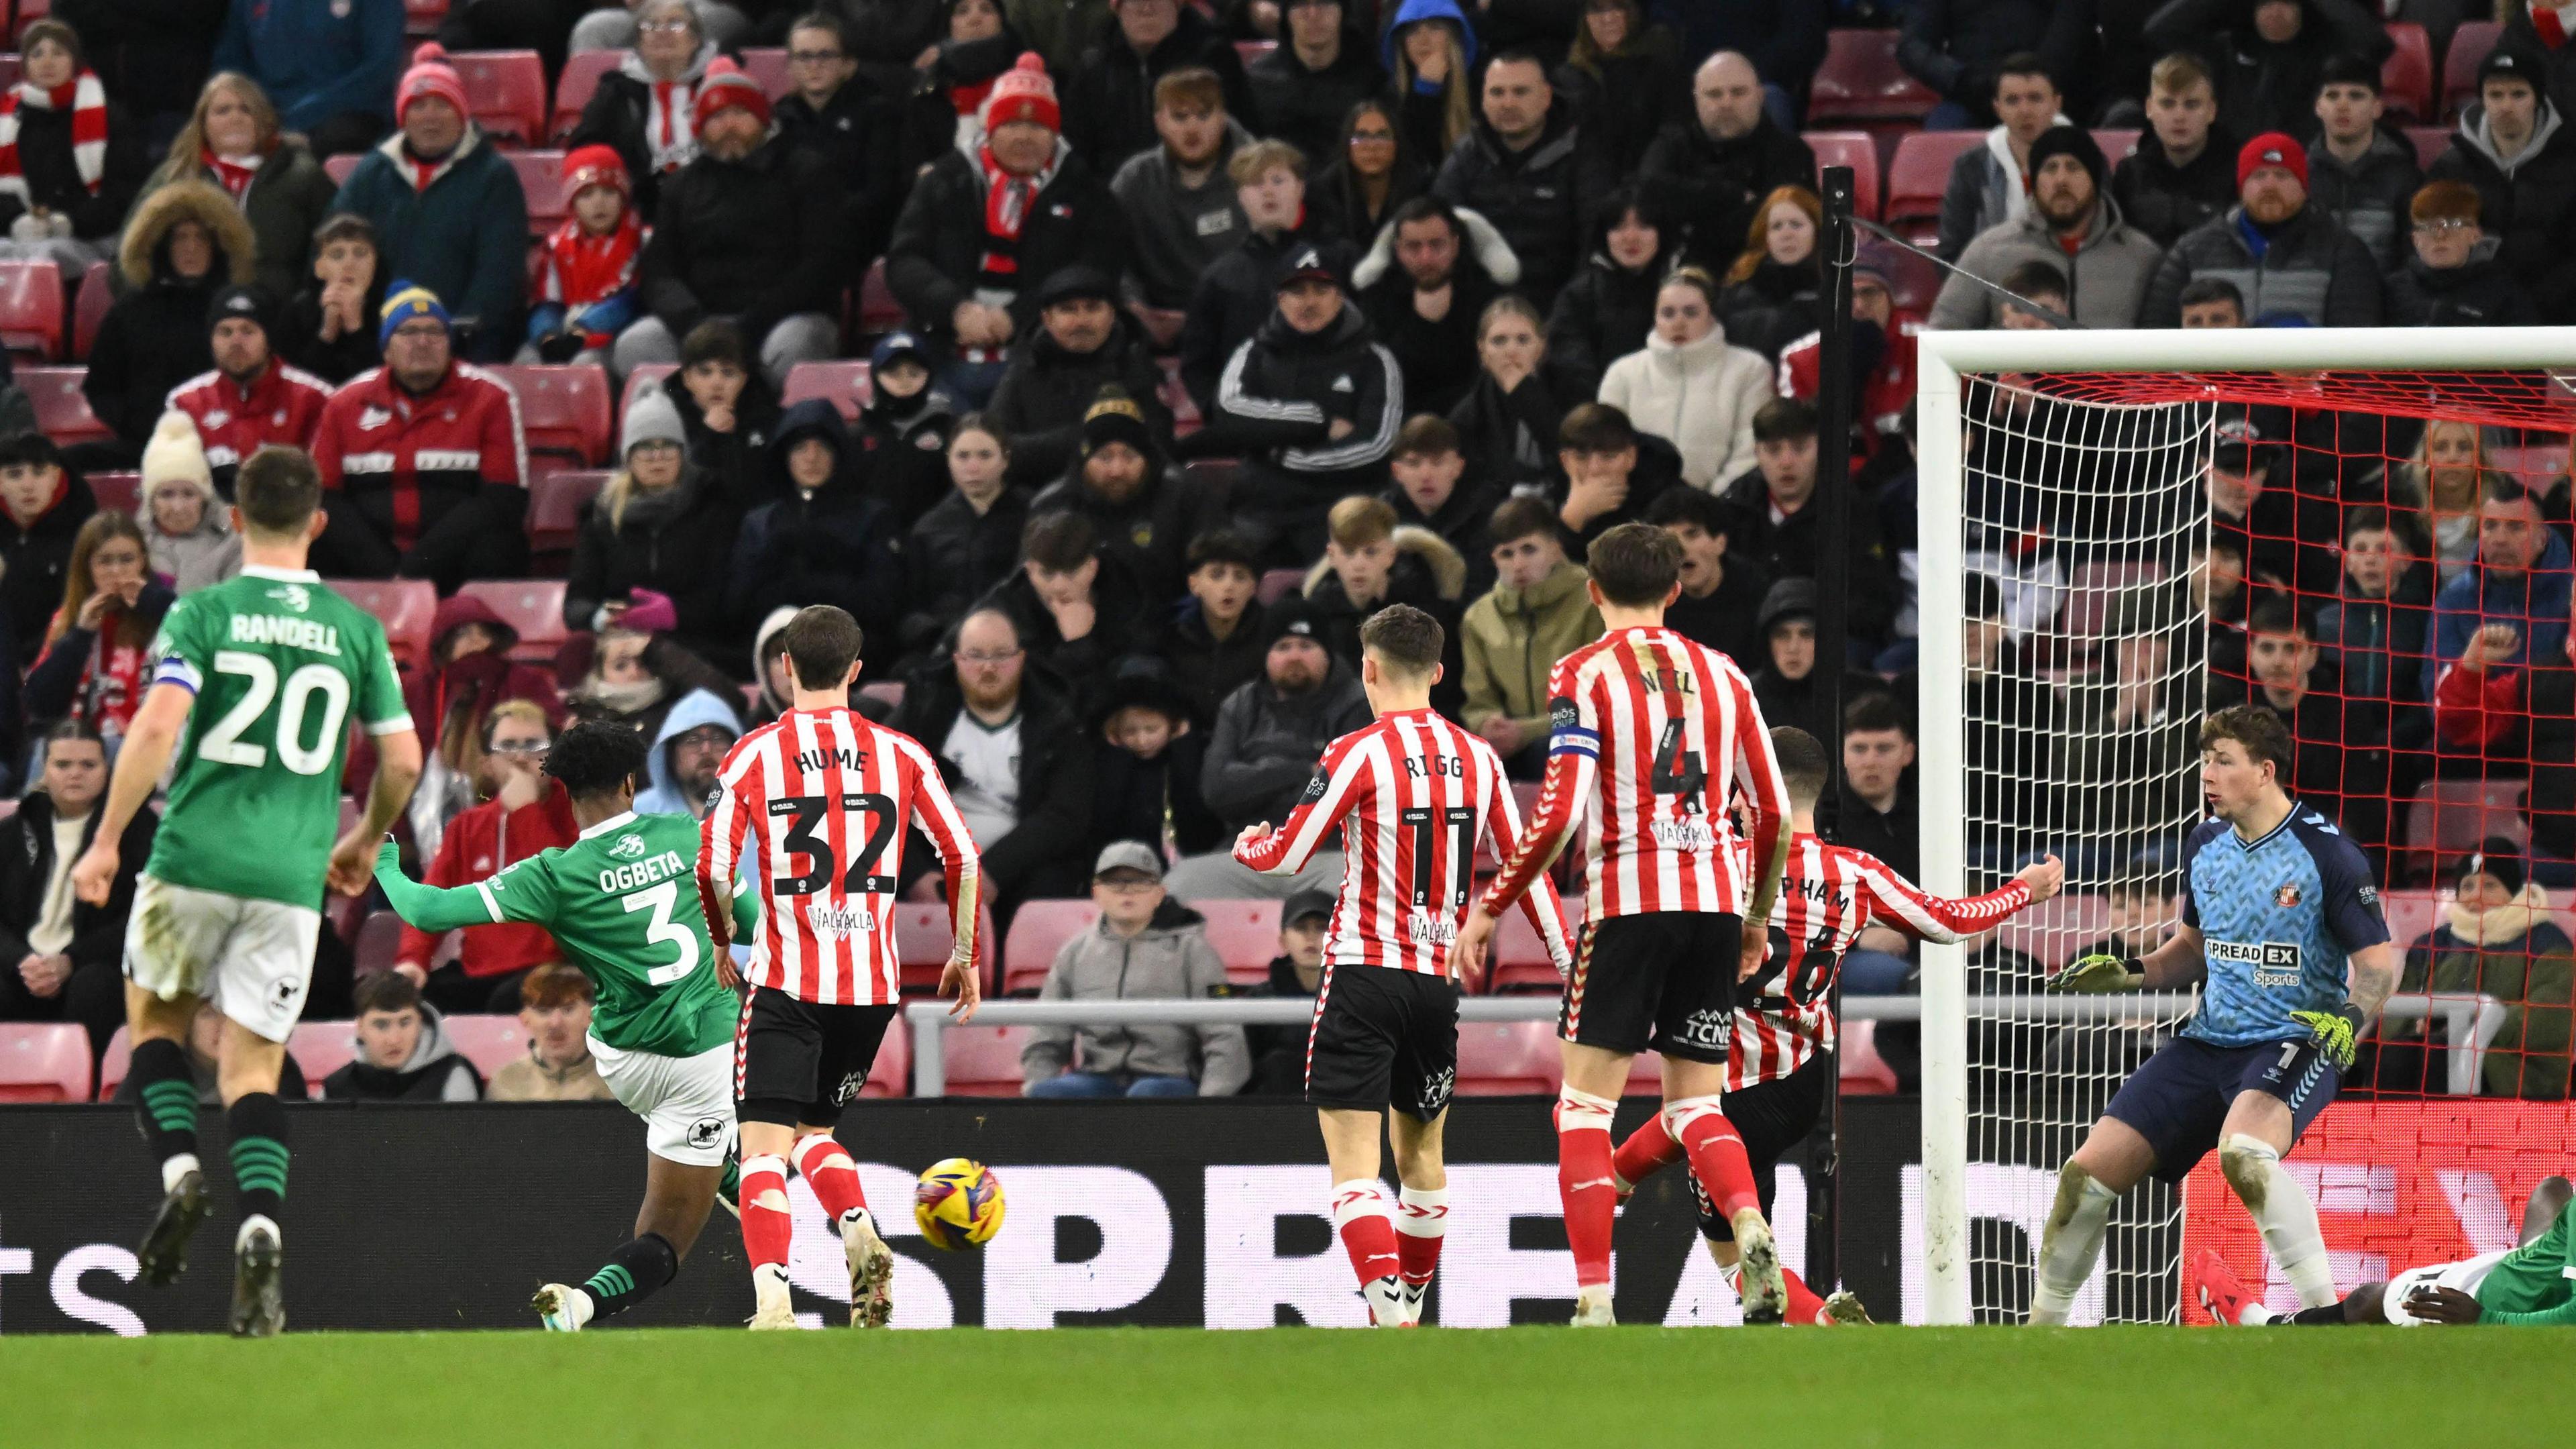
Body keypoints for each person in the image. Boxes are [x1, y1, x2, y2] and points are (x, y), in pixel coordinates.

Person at [72, 443, 421, 1338]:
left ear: (235, 518)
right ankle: (259, 1225)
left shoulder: (203, 611)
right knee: (254, 1068)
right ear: (316, 521)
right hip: (290, 878)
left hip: (191, 857)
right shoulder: (355, 630)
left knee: (152, 1025)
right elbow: (404, 758)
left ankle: (180, 1171)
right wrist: (366, 838)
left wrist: (107, 840)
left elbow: (156, 725)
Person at [1452, 523, 1796, 1326]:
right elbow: (1774, 812)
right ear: (1676, 590)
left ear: (1593, 591)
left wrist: (1492, 903)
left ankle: (1595, 1298)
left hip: (1630, 904)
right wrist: (1753, 915)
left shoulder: (1583, 671)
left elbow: (1562, 809)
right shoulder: (1726, 674)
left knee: (1583, 1109)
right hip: (1714, 903)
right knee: (1695, 1109)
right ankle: (1747, 1219)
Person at [1606, 724, 2059, 1324]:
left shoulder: (1719, 865)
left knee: (1726, 1240)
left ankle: (1661, 1197)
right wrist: (2021, 891)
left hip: (1726, 1088)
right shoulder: (1856, 872)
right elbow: (1951, 922)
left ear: (1752, 786)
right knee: (1711, 1170)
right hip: (1799, 1086)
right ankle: (1822, 1319)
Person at [1236, 604, 1573, 1326]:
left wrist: (1250, 847)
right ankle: (1410, 1302)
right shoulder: (1482, 758)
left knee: (1355, 1168)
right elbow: (1528, 871)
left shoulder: (1355, 751)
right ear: (1440, 672)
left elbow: (1290, 856)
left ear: (1368, 669)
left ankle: (1388, 1307)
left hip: (1362, 973)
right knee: (1423, 1160)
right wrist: (1566, 958)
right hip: (1434, 985)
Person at [379, 720, 761, 1328]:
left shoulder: (553, 874)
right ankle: (588, 1302)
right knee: (664, 1243)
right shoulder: (690, 835)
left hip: (618, 1059)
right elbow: (755, 920)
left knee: (709, 1144)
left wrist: (386, 865)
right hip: (700, 1061)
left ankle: (722, 1161)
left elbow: (428, 910)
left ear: (565, 792)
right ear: (633, 782)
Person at [2034, 706, 2398, 1326]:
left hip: (2295, 1037)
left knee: (2246, 1154)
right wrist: (2132, 974)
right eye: (2205, 761)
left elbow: (2381, 965)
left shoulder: (2328, 854)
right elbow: (2195, 950)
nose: (2207, 774)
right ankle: (2038, 1335)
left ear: (2264, 771)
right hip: (2209, 1042)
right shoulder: (2205, 845)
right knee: (2083, 1178)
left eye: (2222, 761)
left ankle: (2327, 1319)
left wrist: (2350, 1017)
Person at [696, 605, 981, 1330]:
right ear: (858, 671)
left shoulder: (753, 755)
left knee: (761, 1147)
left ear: (784, 667)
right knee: (814, 1136)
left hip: (789, 985)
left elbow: (714, 866)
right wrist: (963, 954)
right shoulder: (903, 754)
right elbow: (963, 857)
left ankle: (774, 1306)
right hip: (871, 991)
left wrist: (724, 937)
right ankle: (858, 1229)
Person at [886, 52, 1128, 406]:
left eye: (1037, 126)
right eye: (1012, 124)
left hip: (1043, 357)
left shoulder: (1088, 194)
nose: (1024, 137)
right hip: (941, 343)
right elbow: (904, 262)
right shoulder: (946, 180)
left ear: (1055, 132)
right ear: (991, 128)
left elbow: (1096, 273)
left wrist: (1017, 318)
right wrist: (957, 310)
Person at [614, 59, 845, 391]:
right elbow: (660, 272)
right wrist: (695, 325)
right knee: (636, 345)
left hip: (783, 318)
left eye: (741, 114)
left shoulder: (807, 172)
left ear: (763, 120)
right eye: (717, 117)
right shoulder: (681, 186)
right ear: (700, 128)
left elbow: (823, 264)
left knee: (795, 348)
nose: (729, 126)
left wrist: (752, 323)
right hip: (700, 322)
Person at [309, 286, 529, 591]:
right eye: (409, 332)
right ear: (386, 349)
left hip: (454, 561)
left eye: (435, 332)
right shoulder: (344, 404)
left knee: (500, 544)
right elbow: (324, 499)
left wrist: (415, 568)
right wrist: (387, 570)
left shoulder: (492, 397)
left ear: (450, 344)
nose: (423, 341)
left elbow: (503, 500)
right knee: (313, 541)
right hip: (371, 562)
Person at [326, 46, 530, 362]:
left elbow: (498, 275)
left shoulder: (494, 177)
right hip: (375, 342)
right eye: (418, 107)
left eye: (442, 105)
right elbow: (331, 247)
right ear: (402, 116)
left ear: (462, 113)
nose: (430, 118)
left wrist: (452, 337)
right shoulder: (371, 173)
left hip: (464, 345)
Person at [890, 606, 1094, 918]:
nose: (988, 668)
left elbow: (1066, 814)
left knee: (1052, 887)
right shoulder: (923, 712)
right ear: (957, 659)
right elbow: (880, 793)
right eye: (975, 656)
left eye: (1001, 655)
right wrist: (915, 875)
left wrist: (992, 872)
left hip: (1022, 868)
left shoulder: (1057, 720)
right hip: (935, 869)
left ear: (1021, 657)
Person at [1208, 245, 1403, 564]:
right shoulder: (1254, 352)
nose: (1309, 301)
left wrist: (1288, 455)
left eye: (1321, 290)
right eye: (1297, 291)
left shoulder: (1375, 359)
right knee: (1223, 571)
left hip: (1341, 508)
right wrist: (1320, 423)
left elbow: (1377, 444)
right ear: (1280, 299)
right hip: (1263, 506)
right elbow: (1229, 412)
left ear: (1339, 296)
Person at [1165, 599, 1371, 901]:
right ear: (1266, 656)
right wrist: (1301, 770)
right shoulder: (1240, 705)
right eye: (1283, 647)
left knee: (1367, 883)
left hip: (1328, 856)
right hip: (1251, 854)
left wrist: (1254, 780)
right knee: (1179, 885)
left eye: (1306, 645)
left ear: (1328, 653)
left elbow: (1343, 795)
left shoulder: (1358, 703)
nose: (1294, 656)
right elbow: (1217, 791)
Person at [1018, 841, 1247, 1097]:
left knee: (1145, 1097)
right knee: (1051, 1094)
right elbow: (1045, 1038)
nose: (1127, 891)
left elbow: (1225, 1037)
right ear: (1096, 892)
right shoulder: (1074, 953)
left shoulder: (1195, 952)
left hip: (1170, 1079)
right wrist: (1035, 1096)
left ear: (1160, 893)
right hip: (1096, 1078)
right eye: (1115, 882)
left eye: (1140, 882)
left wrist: (1211, 1104)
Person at [391, 700, 577, 1015]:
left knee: (506, 1000)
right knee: (405, 1005)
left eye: (534, 746)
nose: (520, 758)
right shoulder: (467, 827)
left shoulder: (578, 813)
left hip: (556, 969)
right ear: (487, 763)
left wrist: (527, 813)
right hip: (479, 971)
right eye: (507, 746)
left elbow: (564, 890)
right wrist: (413, 960)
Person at [2200, 1173, 2576, 1326]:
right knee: (2552, 1194)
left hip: (2509, 1297)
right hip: (2505, 1288)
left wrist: (2487, 1320)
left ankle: (2257, 1323)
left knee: (2367, 1301)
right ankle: (2262, 1324)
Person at [0, 722, 155, 1058]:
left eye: (88, 765)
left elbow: (142, 918)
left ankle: (90, 1104)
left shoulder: (137, 830)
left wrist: (72, 960)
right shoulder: (12, 831)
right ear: (44, 771)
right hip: (23, 968)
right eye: (63, 765)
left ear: (107, 771)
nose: (76, 774)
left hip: (91, 967)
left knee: (95, 986)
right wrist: (20, 960)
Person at [2382, 842, 2574, 1099]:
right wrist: (2418, 1026)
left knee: (2444, 1052)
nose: (2476, 895)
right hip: (2435, 1051)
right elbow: (2393, 1015)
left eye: (2490, 886)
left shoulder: (2546, 942)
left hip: (2515, 1071)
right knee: (2397, 1053)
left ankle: (2446, 1137)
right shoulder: (2432, 943)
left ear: (2514, 890)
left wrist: (2467, 1026)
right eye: (2468, 886)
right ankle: (2390, 1137)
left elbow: (2548, 1022)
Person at [132, 71, 337, 309]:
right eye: (222, 111)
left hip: (281, 317)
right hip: (190, 317)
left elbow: (333, 249)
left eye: (246, 109)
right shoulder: (172, 178)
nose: (235, 118)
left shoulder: (303, 175)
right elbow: (129, 259)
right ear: (202, 123)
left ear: (265, 119)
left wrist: (304, 310)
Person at [1931, 124, 2164, 331]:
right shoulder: (1989, 251)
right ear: (2033, 183)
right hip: (2013, 381)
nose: (2061, 180)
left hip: (2113, 382)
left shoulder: (2142, 256)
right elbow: (1944, 331)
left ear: (2095, 180)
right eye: (2050, 168)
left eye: (2073, 167)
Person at [85, 179, 252, 466]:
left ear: (219, 246)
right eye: (179, 238)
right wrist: (136, 425)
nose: (191, 248)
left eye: (202, 238)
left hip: (227, 450)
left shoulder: (244, 310)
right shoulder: (129, 312)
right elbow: (101, 386)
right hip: (145, 446)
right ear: (161, 244)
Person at [2140, 132, 2385, 326]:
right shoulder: (2191, 251)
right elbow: (2155, 336)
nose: (2270, 186)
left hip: (2306, 390)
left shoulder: (2342, 251)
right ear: (2241, 187)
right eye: (2258, 176)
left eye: (2282, 175)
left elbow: (2356, 348)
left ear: (2304, 187)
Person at [1178, 139, 1338, 416]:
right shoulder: (1220, 277)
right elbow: (1197, 364)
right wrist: (1223, 415)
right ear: (1240, 195)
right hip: (1248, 427)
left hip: (1326, 421)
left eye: (1278, 180)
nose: (1268, 192)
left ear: (1300, 188)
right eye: (1255, 183)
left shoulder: (1336, 262)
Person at [1715, 397, 1892, 644]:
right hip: (1752, 641)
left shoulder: (1852, 510)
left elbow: (1873, 601)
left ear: (1819, 447)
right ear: (1757, 453)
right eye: (1774, 450)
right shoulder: (1735, 507)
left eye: (1799, 448)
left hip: (1834, 642)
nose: (1787, 462)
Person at [730, 398, 904, 649]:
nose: (812, 458)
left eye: (823, 448)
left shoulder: (873, 518)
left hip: (852, 650)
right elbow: (735, 607)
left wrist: (814, 584)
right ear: (785, 456)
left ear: (839, 455)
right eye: (801, 448)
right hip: (774, 650)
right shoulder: (760, 522)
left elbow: (884, 604)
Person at [1429, 49, 1596, 307]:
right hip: (1477, 312)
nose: (1507, 103)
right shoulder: (1465, 156)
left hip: (1559, 306)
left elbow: (1593, 241)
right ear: (1483, 100)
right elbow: (1436, 229)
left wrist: (1568, 311)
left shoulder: (1580, 154)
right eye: (1497, 93)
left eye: (1520, 92)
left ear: (1546, 97)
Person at [1637, 52, 1813, 287]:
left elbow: (1765, 226)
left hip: (1763, 283)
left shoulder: (1791, 153)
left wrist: (1690, 219)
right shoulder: (1672, 144)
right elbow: (1648, 191)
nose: (1726, 103)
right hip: (1677, 281)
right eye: (1714, 94)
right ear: (1696, 99)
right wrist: (1733, 195)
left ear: (1760, 96)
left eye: (1738, 93)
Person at [988, 266, 1173, 488]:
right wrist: (1085, 439)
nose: (1082, 321)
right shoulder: (1024, 370)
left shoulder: (1138, 367)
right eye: (1068, 310)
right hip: (1038, 501)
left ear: (1112, 314)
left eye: (1093, 308)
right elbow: (995, 450)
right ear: (1047, 319)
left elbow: (1157, 448)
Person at [2427, 46, 2576, 319]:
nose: (2506, 106)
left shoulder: (2570, 166)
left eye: (2518, 94)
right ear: (2482, 99)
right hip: (2472, 317)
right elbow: (2430, 246)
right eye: (2496, 94)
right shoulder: (2450, 168)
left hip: (2557, 320)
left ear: (2538, 99)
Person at [1460, 496, 1603, 779]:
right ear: (1494, 559)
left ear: (1555, 549)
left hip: (1581, 742)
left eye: (1529, 550)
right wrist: (1487, 723)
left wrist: (1526, 731)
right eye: (1507, 554)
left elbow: (1598, 700)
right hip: (1509, 746)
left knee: (1547, 750)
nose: (1519, 564)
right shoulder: (1479, 617)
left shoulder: (1592, 602)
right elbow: (1478, 700)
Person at [1029, 389, 1213, 603]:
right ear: (1084, 460)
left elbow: (1214, 572)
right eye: (1104, 457)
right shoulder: (1053, 505)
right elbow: (1027, 591)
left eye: (1130, 455)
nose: (1117, 470)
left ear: (1147, 458)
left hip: (1168, 627)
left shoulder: (1184, 495)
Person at [1597, 268, 1769, 492]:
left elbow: (1749, 449)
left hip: (1719, 509)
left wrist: (1712, 502)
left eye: (1691, 313)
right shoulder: (1622, 372)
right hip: (1639, 509)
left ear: (1711, 314)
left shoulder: (1750, 369)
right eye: (1668, 313)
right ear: (1655, 317)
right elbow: (1606, 447)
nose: (1678, 323)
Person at [0, 21, 147, 275]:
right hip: (19, 235)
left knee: (46, 258)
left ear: (75, 62)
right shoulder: (7, 119)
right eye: (37, 54)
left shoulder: (107, 116)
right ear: (25, 66)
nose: (47, 62)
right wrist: (15, 220)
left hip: (90, 236)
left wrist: (71, 222)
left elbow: (125, 193)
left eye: (58, 53)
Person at [1112, 67, 1249, 336]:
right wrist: (1135, 307)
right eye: (1180, 117)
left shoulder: (1256, 174)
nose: (1192, 127)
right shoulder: (1134, 179)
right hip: (1156, 325)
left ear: (1222, 117)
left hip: (1241, 322)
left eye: (1204, 115)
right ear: (1159, 121)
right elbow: (1109, 252)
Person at [167, 286, 333, 499]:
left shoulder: (314, 398)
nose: (236, 341)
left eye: (248, 331)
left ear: (268, 339)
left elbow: (323, 487)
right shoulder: (184, 403)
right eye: (225, 332)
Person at [2143, 0, 2395, 142]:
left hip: (2309, 160)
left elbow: (2376, 44)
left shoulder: (2326, 51)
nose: (2275, 11)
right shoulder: (2227, 50)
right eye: (2264, 2)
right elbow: (2159, 32)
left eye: (2286, 2)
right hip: (2231, 163)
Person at [974, 508, 1157, 700]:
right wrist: (1077, 647)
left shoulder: (1125, 587)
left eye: (1071, 572)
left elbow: (1143, 658)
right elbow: (1037, 695)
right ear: (1029, 571)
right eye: (1047, 574)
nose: (1059, 586)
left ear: (1092, 567)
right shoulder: (1003, 613)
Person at [25, 511, 175, 745]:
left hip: (144, 740)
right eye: (105, 561)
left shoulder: (168, 611)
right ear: (87, 567)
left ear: (143, 561)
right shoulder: (68, 618)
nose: (116, 571)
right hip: (77, 740)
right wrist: (80, 635)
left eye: (127, 560)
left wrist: (154, 603)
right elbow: (40, 704)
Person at [565, 0, 720, 217]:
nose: (662, 33)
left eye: (675, 24)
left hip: (712, 205)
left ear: (695, 39)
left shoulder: (719, 84)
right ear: (639, 43)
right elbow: (585, 148)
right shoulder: (616, 91)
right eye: (651, 26)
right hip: (637, 210)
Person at [773, 9, 899, 272]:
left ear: (848, 64)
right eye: (804, 56)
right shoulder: (778, 117)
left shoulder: (877, 112)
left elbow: (879, 192)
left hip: (855, 235)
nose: (814, 65)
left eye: (825, 55)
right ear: (790, 66)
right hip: (789, 234)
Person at [2426, 477, 2572, 697]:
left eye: (2516, 527)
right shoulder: (2453, 600)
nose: (2500, 539)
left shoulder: (2572, 597)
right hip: (2476, 729)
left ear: (2542, 539)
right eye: (2490, 526)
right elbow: (2437, 695)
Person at [1060, 0, 1250, 170]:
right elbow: (1075, 153)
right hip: (1109, 197)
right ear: (1118, 7)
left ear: (1177, 4)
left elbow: (1241, 142)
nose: (1147, 8)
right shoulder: (1092, 69)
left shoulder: (1215, 60)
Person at [1300, 492, 1465, 685]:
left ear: (1390, 554)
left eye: (1370, 552)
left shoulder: (1427, 614)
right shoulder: (1316, 617)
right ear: (1332, 555)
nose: (1359, 565)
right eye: (1348, 552)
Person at [1358, 196, 1502, 417]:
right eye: (1413, 247)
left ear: (1455, 245)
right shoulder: (1377, 304)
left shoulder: (1491, 301)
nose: (1426, 258)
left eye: (1436, 245)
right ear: (1398, 250)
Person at [902, 415, 1028, 655]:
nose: (973, 467)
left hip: (1017, 643)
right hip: (946, 649)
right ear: (949, 460)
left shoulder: (1032, 516)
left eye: (985, 455)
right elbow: (911, 609)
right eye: (963, 456)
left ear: (1006, 459)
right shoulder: (928, 527)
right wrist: (935, 638)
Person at [209, 0, 402, 157]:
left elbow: (379, 70)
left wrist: (300, 120)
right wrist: (255, 112)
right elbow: (230, 65)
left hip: (347, 112)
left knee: (331, 140)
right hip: (267, 113)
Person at [1547, 187, 1679, 405]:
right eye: (1618, 227)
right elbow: (1571, 365)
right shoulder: (1579, 296)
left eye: (1644, 226)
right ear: (1604, 235)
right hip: (1602, 415)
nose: (1631, 237)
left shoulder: (1686, 292)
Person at [1933, 56, 2070, 264]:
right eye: (2012, 100)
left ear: (2057, 103)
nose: (2025, 111)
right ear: (1997, 108)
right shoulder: (1970, 166)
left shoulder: (2087, 161)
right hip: (1991, 286)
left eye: (2035, 98)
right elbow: (1951, 253)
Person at [1086, 659, 1218, 862]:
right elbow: (1102, 822)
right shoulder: (1104, 762)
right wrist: (1117, 756)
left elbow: (1199, 818)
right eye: (1130, 732)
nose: (1142, 740)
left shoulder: (1195, 754)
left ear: (1172, 725)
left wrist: (1184, 749)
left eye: (1152, 729)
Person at [525, 146, 644, 367]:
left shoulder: (640, 240)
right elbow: (547, 303)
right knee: (527, 360)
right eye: (587, 195)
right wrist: (547, 337)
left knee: (585, 363)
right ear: (573, 204)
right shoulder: (557, 246)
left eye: (609, 193)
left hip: (616, 332)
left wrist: (583, 330)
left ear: (623, 198)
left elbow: (631, 300)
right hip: (568, 329)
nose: (599, 203)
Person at [2306, 52, 2421, 273]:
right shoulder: (2299, 178)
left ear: (2378, 108)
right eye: (2332, 96)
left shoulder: (2406, 179)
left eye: (2356, 96)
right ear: (2318, 107)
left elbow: (2412, 262)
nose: (2342, 105)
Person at [2112, 52, 2241, 249]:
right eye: (2167, 104)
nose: (2179, 116)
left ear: (2212, 111)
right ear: (2149, 108)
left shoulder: (2239, 173)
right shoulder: (2129, 175)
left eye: (2192, 105)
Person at [1551, 0, 1682, 179]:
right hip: (1585, 187)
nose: (1608, 18)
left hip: (1646, 183)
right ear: (1584, 19)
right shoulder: (1566, 78)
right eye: (1598, 10)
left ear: (1633, 13)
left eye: (1618, 8)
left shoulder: (1656, 70)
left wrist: (1644, 185)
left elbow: (1670, 132)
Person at [664, 319, 783, 512]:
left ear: (744, 379)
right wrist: (709, 436)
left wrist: (732, 441)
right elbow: (674, 494)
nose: (717, 383)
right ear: (686, 379)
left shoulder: (767, 417)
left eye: (728, 373)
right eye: (705, 372)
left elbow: (761, 495)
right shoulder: (665, 417)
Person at [1245, 0, 1382, 165]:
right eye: (1301, 4)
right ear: (1287, 15)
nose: (1313, 15)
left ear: (1343, 12)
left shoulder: (1373, 79)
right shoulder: (1259, 81)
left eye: (1324, 3)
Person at [2385, 178, 2538, 326]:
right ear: (2415, 239)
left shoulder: (2504, 294)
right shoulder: (2391, 292)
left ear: (2475, 235)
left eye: (2453, 224)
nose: (2440, 235)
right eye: (2427, 226)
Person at [1646, 486, 1768, 665]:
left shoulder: (1757, 593)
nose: (1682, 548)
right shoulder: (1650, 601)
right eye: (1669, 540)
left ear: (1720, 542)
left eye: (1692, 534)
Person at [1157, 528, 1267, 727]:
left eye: (1240, 577)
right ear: (1194, 584)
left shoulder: (1271, 635)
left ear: (1254, 587)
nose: (1229, 586)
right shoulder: (1168, 634)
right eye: (1217, 575)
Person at [1383, 413, 1502, 592]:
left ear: (1458, 467)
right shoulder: (1379, 517)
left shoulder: (1489, 514)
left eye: (1438, 463)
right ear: (1397, 471)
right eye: (1414, 464)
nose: (1426, 475)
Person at [0, 431, 97, 651]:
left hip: (59, 662)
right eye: (15, 475)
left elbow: (77, 619)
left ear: (55, 478)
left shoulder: (84, 539)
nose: (28, 485)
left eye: (39, 472)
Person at [319, 972, 482, 1102]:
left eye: (405, 1023)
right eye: (381, 1025)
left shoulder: (452, 1077)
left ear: (420, 1021)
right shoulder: (336, 1088)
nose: (394, 1039)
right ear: (360, 1027)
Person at [855, 331, 963, 526]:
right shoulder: (860, 433)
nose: (904, 381)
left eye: (914, 373)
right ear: (875, 376)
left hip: (934, 537)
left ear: (929, 375)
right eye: (893, 373)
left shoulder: (949, 428)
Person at [1548, 400, 1686, 549]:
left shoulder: (1674, 504)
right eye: (1581, 458)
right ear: (1565, 462)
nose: (1595, 469)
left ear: (1631, 457)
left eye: (1608, 457)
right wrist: (1571, 520)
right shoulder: (1547, 501)